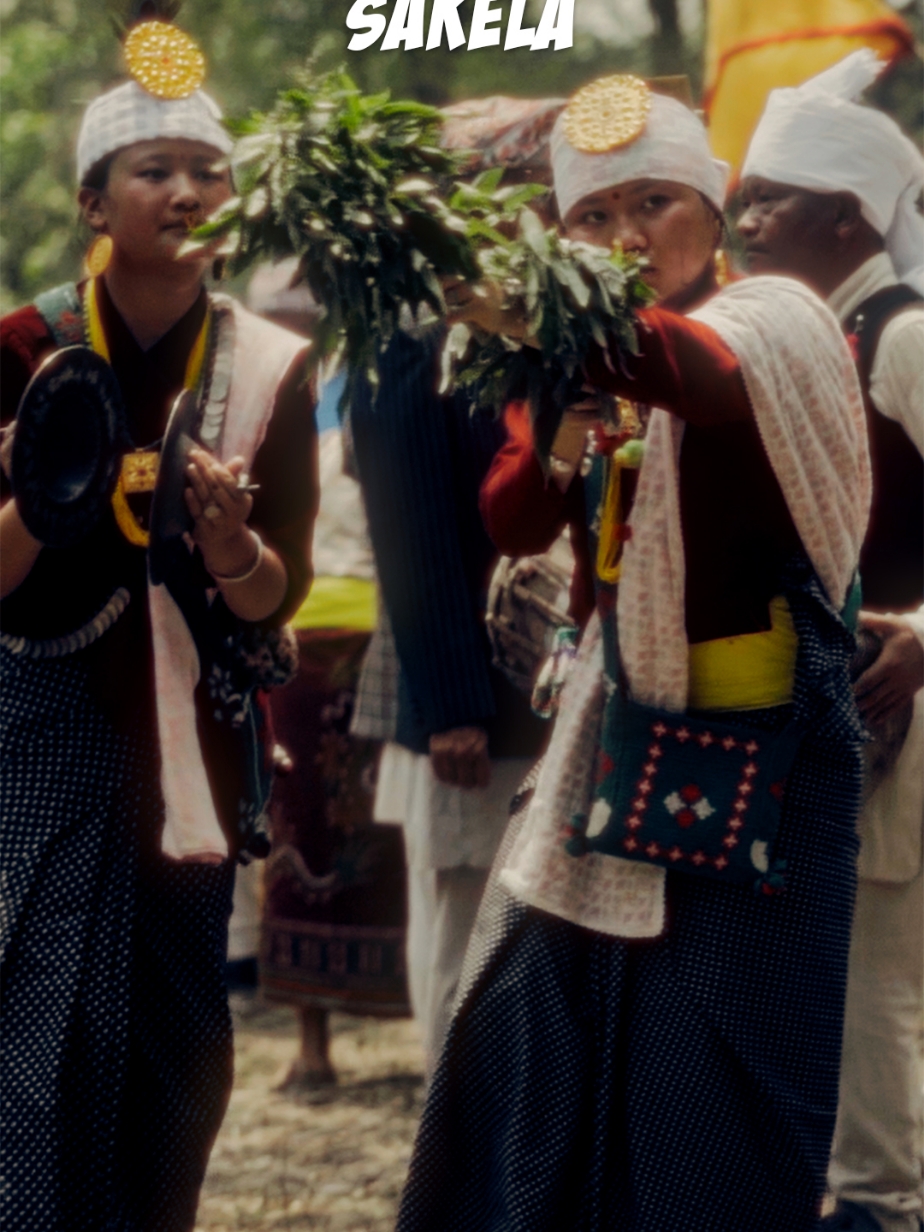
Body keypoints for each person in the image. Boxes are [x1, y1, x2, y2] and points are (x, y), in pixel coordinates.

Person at [397, 76, 870, 1232]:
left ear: (717, 211)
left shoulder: (772, 322)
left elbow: (691, 376)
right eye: (594, 218)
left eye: (653, 201)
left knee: (719, 1062)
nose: (624, 236)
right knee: (535, 1023)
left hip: (763, 754)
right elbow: (511, 517)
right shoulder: (572, 355)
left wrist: (535, 310)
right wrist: (555, 432)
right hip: (615, 745)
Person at [0, 21, 317, 1231]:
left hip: (193, 746)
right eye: (154, 170)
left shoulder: (272, 366)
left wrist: (233, 546)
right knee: (42, 1029)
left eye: (211, 169)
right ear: (93, 199)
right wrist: (41, 488)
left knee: (180, 1039)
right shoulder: (25, 348)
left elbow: (271, 595)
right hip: (46, 733)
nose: (188, 192)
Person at [738, 50, 924, 1232]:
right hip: (846, 699)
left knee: (880, 972)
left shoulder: (902, 336)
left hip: (907, 704)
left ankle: (881, 1205)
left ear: (848, 216)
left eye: (769, 199)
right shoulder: (811, 337)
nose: (743, 220)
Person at [348, 100, 560, 1076]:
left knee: (518, 923)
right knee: (465, 914)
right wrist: (452, 708)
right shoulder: (412, 332)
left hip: (528, 677)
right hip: (458, 692)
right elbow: (411, 529)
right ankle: (455, 1139)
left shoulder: (528, 325)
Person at [248, 261, 411, 1087]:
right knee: (297, 830)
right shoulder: (255, 404)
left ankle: (417, 1027)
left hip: (378, 636)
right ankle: (310, 1043)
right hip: (291, 645)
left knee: (390, 830)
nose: (294, 326)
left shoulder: (374, 390)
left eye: (306, 313)